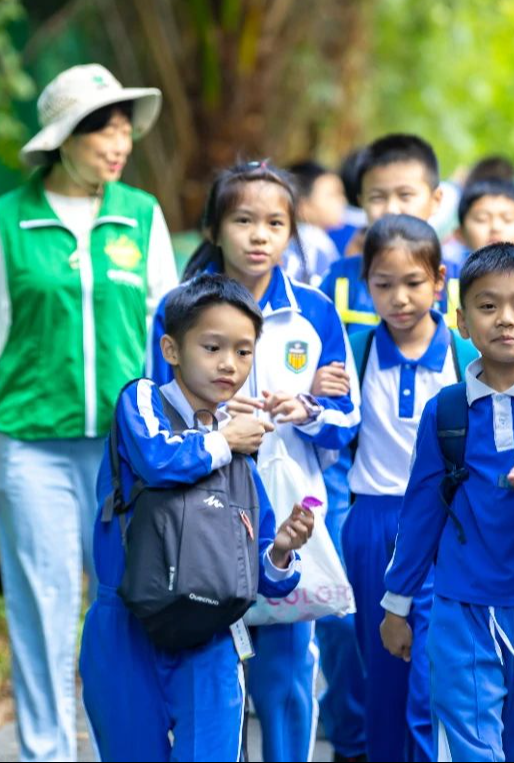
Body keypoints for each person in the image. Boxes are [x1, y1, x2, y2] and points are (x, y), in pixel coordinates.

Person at [0, 64, 179, 762]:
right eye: (102, 126)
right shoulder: (9, 219)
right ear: (64, 138)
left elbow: (166, 327)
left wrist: (177, 426)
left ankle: (126, 746)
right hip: (33, 447)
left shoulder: (139, 215)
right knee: (43, 609)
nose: (120, 141)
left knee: (123, 606)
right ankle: (45, 752)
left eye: (123, 127)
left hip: (123, 450)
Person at [149, 161, 361, 763]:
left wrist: (309, 406)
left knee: (287, 671)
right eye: (243, 220)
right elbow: (153, 407)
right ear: (215, 228)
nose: (259, 235)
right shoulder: (178, 309)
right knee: (211, 666)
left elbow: (348, 423)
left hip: (289, 509)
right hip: (201, 507)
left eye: (275, 222)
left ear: (293, 232)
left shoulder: (315, 311)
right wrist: (212, 412)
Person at [79, 274, 316, 761]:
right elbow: (158, 459)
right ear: (171, 348)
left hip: (210, 636)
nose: (229, 364)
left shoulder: (241, 447)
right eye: (212, 347)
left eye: (244, 351)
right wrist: (227, 439)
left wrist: (283, 549)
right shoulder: (144, 401)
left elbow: (264, 579)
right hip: (126, 625)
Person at [380, 243, 514, 762]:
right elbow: (420, 513)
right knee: (468, 741)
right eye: (487, 306)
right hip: (462, 601)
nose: (505, 319)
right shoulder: (446, 411)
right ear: (460, 319)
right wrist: (396, 605)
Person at [342, 215, 478, 762]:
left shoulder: (463, 355)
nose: (399, 298)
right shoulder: (353, 351)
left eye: (413, 283)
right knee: (380, 677)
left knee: (430, 680)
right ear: (364, 283)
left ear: (441, 281)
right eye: (383, 283)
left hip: (443, 527)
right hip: (371, 524)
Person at [320, 134, 463, 335]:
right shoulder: (339, 279)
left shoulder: (460, 281)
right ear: (361, 202)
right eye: (377, 197)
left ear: (436, 199)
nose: (392, 209)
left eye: (405, 195)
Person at [283, 160, 347, 285]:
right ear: (303, 206)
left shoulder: (288, 241)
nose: (342, 201)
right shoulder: (315, 244)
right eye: (332, 195)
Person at [445, 178, 514, 267]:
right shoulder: (446, 272)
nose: (495, 227)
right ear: (460, 234)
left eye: (507, 219)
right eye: (482, 219)